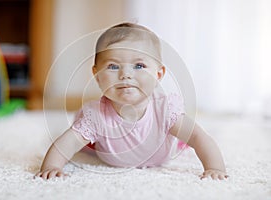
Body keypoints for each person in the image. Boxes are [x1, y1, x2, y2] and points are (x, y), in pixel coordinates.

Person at [35, 22, 228, 180]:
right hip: (103, 145)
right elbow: (66, 144)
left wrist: (215, 168)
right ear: (97, 75)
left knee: (185, 137)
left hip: (162, 145)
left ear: (158, 74)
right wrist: (52, 166)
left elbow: (198, 138)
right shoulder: (96, 116)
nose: (125, 75)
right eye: (112, 66)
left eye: (139, 65)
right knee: (81, 136)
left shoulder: (165, 109)